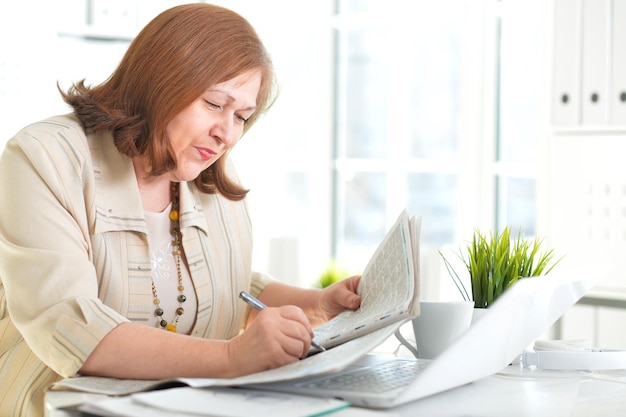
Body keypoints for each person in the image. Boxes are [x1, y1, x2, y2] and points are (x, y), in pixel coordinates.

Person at [0, 4, 361, 416]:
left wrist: (318, 305)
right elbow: (70, 325)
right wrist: (232, 358)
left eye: (241, 116)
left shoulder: (208, 173)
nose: (226, 134)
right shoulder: (44, 158)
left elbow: (227, 284)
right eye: (213, 104)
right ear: (161, 81)